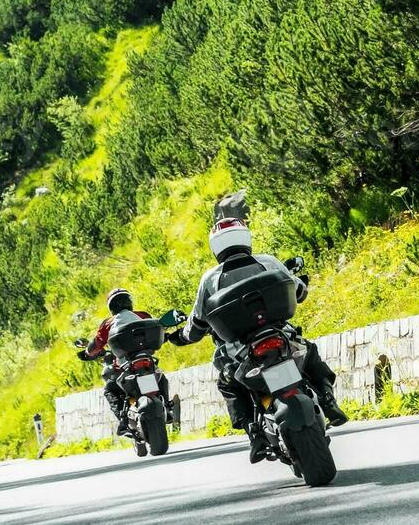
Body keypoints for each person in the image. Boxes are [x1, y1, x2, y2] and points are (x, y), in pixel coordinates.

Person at [167, 191, 348, 463]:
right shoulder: (268, 262)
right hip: (279, 333)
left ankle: (254, 434)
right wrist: (302, 288)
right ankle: (328, 401)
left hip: (239, 348)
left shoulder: (210, 279)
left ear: (215, 246)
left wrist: (182, 337)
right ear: (245, 237)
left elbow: (198, 321)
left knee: (228, 382)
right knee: (309, 353)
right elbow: (297, 290)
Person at [76, 288, 183, 436]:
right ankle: (167, 406)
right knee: (160, 376)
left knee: (110, 389)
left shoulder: (108, 324)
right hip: (146, 361)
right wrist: (164, 337)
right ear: (129, 302)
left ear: (111, 307)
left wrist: (88, 353)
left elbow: (97, 344)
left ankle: (123, 420)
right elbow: (154, 331)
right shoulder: (143, 316)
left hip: (124, 366)